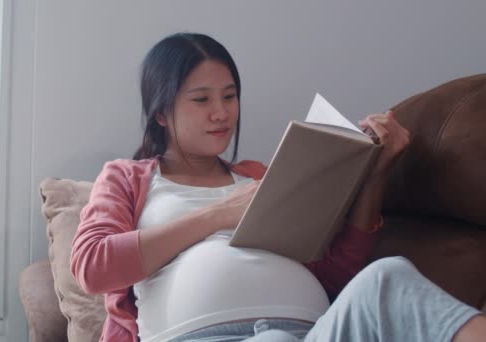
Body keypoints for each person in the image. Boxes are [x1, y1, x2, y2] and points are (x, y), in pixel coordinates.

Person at [70, 32, 485, 342]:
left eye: (229, 97)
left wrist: (376, 174)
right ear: (162, 112)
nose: (221, 113)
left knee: (388, 278)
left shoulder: (258, 176)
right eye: (201, 100)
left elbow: (335, 274)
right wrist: (221, 214)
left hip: (314, 332)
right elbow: (93, 266)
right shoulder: (129, 177)